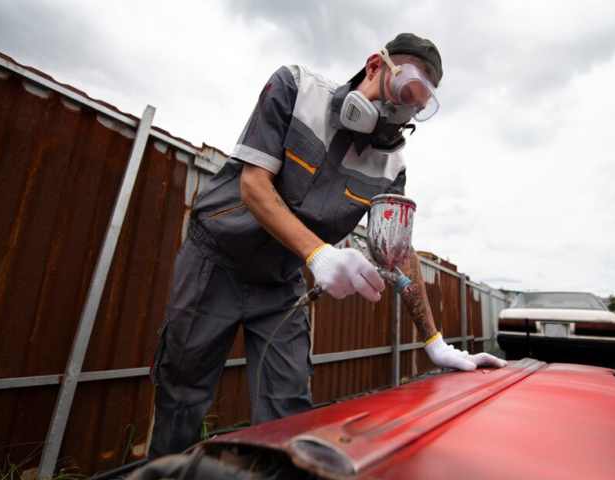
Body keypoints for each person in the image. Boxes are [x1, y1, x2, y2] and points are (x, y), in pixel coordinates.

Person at [147, 33, 507, 459]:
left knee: (288, 408)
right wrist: (319, 253)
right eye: (403, 92)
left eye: (417, 107)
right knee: (181, 397)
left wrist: (434, 343)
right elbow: (253, 185)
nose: (403, 112)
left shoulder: (392, 166)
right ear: (375, 66)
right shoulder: (295, 88)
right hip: (215, 261)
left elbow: (398, 250)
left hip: (280, 284)